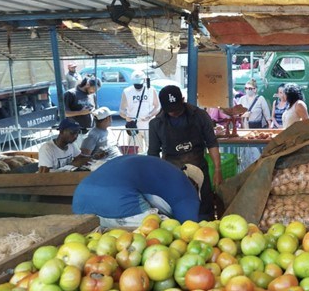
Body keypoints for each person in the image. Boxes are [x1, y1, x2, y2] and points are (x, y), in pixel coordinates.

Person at [148, 85, 221, 220]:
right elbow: (153, 155)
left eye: (177, 108)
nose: (174, 113)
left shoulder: (200, 116)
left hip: (200, 173)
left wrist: (217, 169)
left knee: (204, 213)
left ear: (183, 99)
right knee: (178, 215)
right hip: (173, 175)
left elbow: (212, 143)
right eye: (170, 110)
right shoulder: (156, 124)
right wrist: (155, 180)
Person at [72, 155, 207, 226]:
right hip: (117, 200)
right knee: (164, 232)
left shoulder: (162, 171)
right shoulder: (187, 189)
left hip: (80, 201)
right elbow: (188, 228)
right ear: (194, 184)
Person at [119, 71, 160, 151]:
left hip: (149, 127)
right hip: (134, 127)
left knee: (152, 150)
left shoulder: (151, 90)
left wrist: (150, 115)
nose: (138, 86)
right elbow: (121, 110)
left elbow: (157, 106)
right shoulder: (127, 91)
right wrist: (127, 117)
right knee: (136, 151)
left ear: (144, 80)